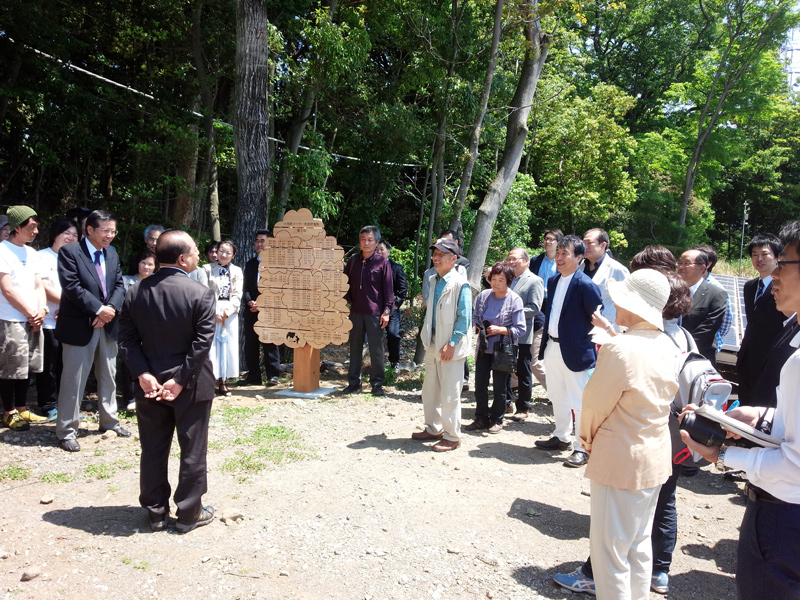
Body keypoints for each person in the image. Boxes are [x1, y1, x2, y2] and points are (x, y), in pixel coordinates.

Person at [680, 220, 800, 600]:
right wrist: (761, 417)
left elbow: (796, 464)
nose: (773, 273)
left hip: (784, 514)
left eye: (786, 263)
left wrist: (722, 454)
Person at [556, 269, 693, 597]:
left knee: (609, 553)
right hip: (654, 455)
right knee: (638, 544)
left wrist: (586, 440)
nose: (613, 303)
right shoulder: (666, 343)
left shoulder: (622, 349)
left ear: (635, 304)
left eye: (620, 299)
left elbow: (593, 404)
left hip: (620, 458)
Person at [118, 230, 217, 533]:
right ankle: (189, 513)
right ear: (182, 258)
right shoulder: (199, 293)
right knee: (192, 448)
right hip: (191, 385)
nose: (199, 256)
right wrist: (180, 380)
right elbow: (201, 345)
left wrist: (143, 374)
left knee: (153, 448)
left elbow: (127, 340)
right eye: (195, 251)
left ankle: (156, 512)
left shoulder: (135, 292)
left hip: (149, 384)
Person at [56, 210, 130, 452]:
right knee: (74, 380)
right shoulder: (70, 252)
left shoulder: (112, 253)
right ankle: (67, 430)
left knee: (108, 375)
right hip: (80, 325)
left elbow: (119, 284)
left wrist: (109, 309)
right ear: (90, 229)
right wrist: (98, 309)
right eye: (105, 230)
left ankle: (109, 421)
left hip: (108, 324)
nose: (110, 235)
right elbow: (72, 287)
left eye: (113, 231)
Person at [534, 235, 602, 467]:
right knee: (557, 394)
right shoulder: (553, 280)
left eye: (565, 253)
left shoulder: (585, 284)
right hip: (552, 346)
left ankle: (582, 447)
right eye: (558, 252)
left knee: (580, 401)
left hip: (576, 351)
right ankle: (561, 436)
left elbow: (596, 318)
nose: (559, 257)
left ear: (579, 257)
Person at [411, 238, 471, 451]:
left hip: (450, 346)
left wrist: (452, 343)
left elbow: (465, 318)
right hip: (433, 342)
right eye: (435, 254)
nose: (436, 257)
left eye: (441, 254)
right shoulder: (435, 279)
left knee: (449, 393)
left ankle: (452, 436)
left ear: (453, 259)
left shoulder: (460, 284)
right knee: (430, 390)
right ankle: (433, 427)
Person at [0, 206, 48, 430]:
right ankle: (8, 411)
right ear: (16, 227)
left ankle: (22, 408)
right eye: (31, 227)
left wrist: (42, 309)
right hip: (11, 319)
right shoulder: (3, 251)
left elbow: (39, 285)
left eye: (36, 226)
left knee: (27, 366)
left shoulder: (31, 253)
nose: (36, 231)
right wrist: (31, 313)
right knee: (11, 368)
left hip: (33, 319)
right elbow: (8, 290)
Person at [466, 262, 526, 434]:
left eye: (501, 280)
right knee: (480, 384)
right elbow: (475, 316)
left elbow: (520, 329)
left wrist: (501, 330)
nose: (496, 283)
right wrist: (480, 326)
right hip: (484, 347)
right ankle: (481, 417)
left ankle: (497, 419)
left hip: (503, 350)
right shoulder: (484, 296)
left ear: (509, 281)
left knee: (500, 387)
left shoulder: (515, 299)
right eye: (493, 279)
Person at [36, 218, 80, 422]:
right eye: (67, 233)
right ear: (55, 234)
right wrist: (66, 305)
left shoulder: (78, 259)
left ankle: (66, 405)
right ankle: (48, 405)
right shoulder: (42, 257)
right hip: (48, 320)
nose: (71, 238)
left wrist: (68, 308)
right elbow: (44, 286)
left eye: (75, 235)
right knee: (49, 366)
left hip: (70, 319)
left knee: (68, 364)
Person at [341, 226, 394, 396]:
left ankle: (377, 384)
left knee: (376, 349)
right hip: (356, 311)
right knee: (355, 348)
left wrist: (386, 311)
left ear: (376, 242)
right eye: (363, 239)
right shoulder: (354, 260)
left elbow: (388, 290)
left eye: (370, 239)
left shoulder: (382, 262)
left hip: (375, 313)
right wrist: (348, 302)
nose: (366, 243)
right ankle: (354, 383)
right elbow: (344, 283)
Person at [736, 234, 786, 407]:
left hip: (772, 362)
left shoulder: (785, 285)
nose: (759, 259)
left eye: (764, 254)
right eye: (754, 254)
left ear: (778, 256)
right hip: (747, 359)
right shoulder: (749, 287)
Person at [504, 248, 544, 421]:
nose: (511, 262)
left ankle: (523, 406)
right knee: (503, 368)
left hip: (523, 333)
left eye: (515, 259)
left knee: (523, 370)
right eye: (509, 259)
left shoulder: (534, 281)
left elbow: (535, 308)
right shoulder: (507, 278)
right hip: (504, 333)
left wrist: (511, 313)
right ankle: (505, 402)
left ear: (526, 261)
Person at [240, 230, 281, 387]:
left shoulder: (277, 265)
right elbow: (244, 287)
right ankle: (253, 376)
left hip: (270, 311)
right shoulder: (250, 264)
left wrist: (262, 304)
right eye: (257, 241)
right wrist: (250, 301)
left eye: (263, 241)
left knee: (270, 343)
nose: (259, 244)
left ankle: (273, 376)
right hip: (251, 311)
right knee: (250, 345)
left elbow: (278, 289)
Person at [202, 240, 242, 396]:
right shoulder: (205, 269)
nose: (224, 255)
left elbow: (237, 294)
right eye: (221, 251)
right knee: (210, 346)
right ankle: (208, 380)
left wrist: (228, 311)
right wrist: (212, 312)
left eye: (228, 252)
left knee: (227, 345)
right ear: (216, 252)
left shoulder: (237, 271)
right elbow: (204, 292)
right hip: (210, 309)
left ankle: (224, 381)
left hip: (229, 311)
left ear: (233, 255)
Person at [120, 250, 157, 410]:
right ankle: (130, 399)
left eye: (150, 264)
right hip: (129, 327)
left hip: (151, 329)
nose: (146, 267)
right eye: (144, 263)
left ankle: (149, 396)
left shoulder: (157, 283)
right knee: (129, 362)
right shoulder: (125, 281)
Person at [677, 248, 728, 366]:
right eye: (680, 263)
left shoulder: (716, 294)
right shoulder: (672, 290)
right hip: (670, 355)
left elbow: (708, 328)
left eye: (687, 263)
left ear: (702, 268)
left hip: (698, 358)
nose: (681, 267)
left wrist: (682, 347)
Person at [581, 228, 630, 330]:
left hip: (606, 328)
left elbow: (627, 302)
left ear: (603, 245)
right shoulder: (579, 267)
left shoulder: (617, 269)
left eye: (589, 243)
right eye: (583, 242)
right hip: (580, 326)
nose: (585, 246)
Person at [692, 244, 734, 353]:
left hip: (705, 347)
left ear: (707, 264)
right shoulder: (685, 284)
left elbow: (726, 322)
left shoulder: (717, 290)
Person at [376, 240, 408, 370]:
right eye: (376, 249)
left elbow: (403, 289)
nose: (379, 252)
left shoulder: (396, 268)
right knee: (374, 336)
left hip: (392, 309)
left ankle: (394, 362)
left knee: (393, 334)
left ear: (388, 252)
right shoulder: (370, 267)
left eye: (381, 249)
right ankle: (375, 364)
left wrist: (396, 305)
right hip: (375, 308)